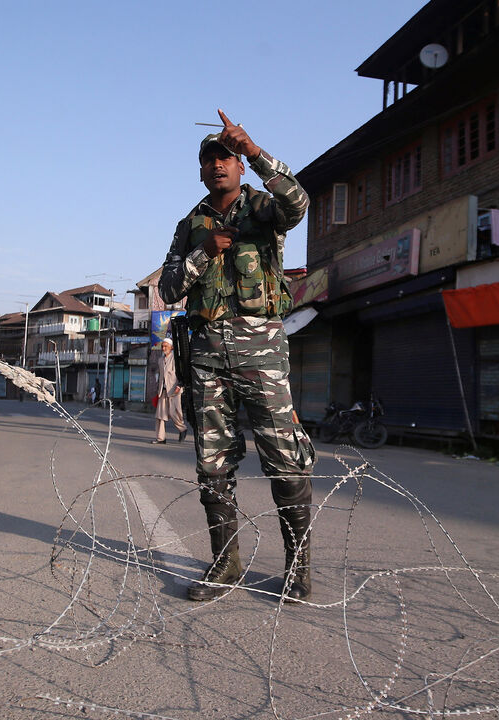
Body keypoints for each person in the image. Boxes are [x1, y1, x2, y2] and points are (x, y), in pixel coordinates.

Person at [159, 109, 317, 603]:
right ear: (201, 170)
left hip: (261, 353)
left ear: (239, 166)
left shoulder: (264, 209)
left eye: (226, 158)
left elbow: (299, 202)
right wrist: (204, 250)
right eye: (210, 160)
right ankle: (226, 564)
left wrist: (254, 148)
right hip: (206, 357)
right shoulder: (190, 225)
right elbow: (167, 288)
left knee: (284, 459)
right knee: (212, 465)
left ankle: (298, 569)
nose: (218, 166)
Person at [151, 338, 187, 444]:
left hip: (175, 390)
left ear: (171, 347)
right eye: (162, 346)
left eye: (166, 346)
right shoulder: (160, 360)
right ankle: (161, 438)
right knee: (159, 415)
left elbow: (182, 374)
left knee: (174, 413)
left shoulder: (176, 359)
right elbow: (161, 376)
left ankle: (182, 429)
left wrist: (180, 385)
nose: (163, 348)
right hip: (163, 391)